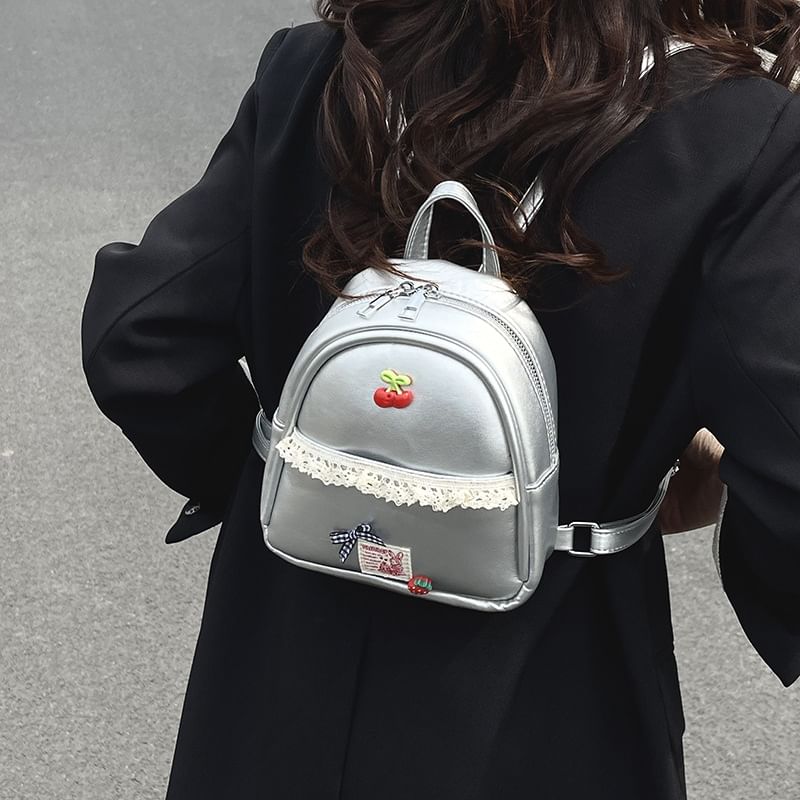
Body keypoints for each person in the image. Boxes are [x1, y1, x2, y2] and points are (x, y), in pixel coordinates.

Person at [80, 2, 800, 798]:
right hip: (557, 694)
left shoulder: (329, 67)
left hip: (278, 688)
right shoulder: (734, 133)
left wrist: (301, 488)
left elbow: (139, 338)